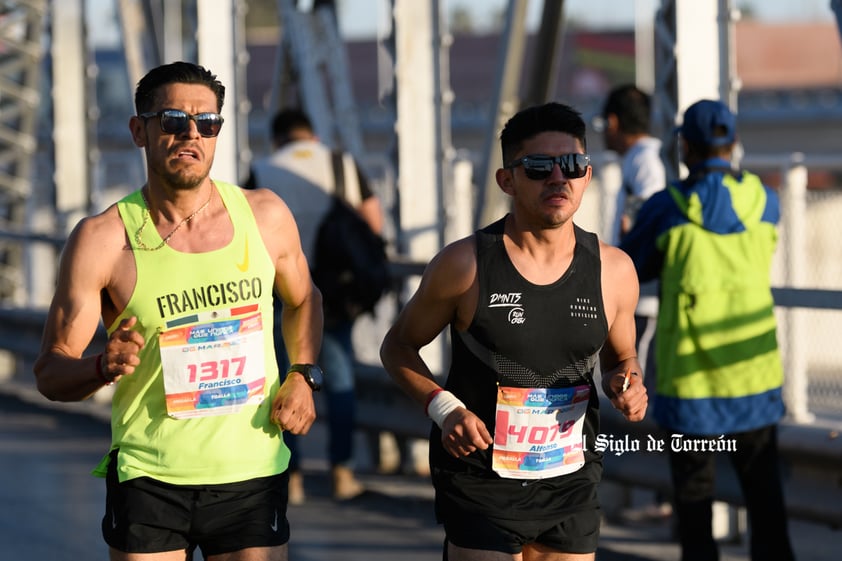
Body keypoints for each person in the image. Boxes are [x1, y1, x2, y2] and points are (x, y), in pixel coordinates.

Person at [33, 61, 324, 561]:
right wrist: (102, 366)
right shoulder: (104, 240)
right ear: (139, 130)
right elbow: (50, 371)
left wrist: (302, 372)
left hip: (250, 471)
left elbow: (304, 299)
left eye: (207, 123)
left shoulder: (265, 216)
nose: (191, 134)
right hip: (149, 477)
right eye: (172, 120)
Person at [380, 101, 648, 560]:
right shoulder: (464, 265)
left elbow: (620, 359)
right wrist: (445, 411)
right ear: (508, 180)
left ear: (587, 174)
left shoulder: (615, 271)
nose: (558, 178)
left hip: (571, 478)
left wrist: (629, 383)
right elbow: (398, 347)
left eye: (572, 165)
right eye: (539, 167)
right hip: (480, 480)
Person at [620, 99, 796, 561]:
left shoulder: (668, 208)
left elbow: (628, 267)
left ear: (684, 147)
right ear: (733, 143)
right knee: (766, 503)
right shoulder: (765, 201)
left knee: (695, 509)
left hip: (691, 386)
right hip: (753, 376)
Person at [248, 108, 383, 503]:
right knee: (339, 381)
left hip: (280, 293)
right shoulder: (341, 165)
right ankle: (342, 472)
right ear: (314, 137)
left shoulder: (261, 171)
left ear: (277, 140)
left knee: (285, 379)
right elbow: (372, 226)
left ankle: (291, 478)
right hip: (337, 292)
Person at [599, 84, 671, 520]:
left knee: (637, 394)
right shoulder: (647, 158)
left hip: (645, 301)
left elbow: (649, 226)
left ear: (612, 123)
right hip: (645, 299)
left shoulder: (645, 162)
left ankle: (657, 493)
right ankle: (649, 490)